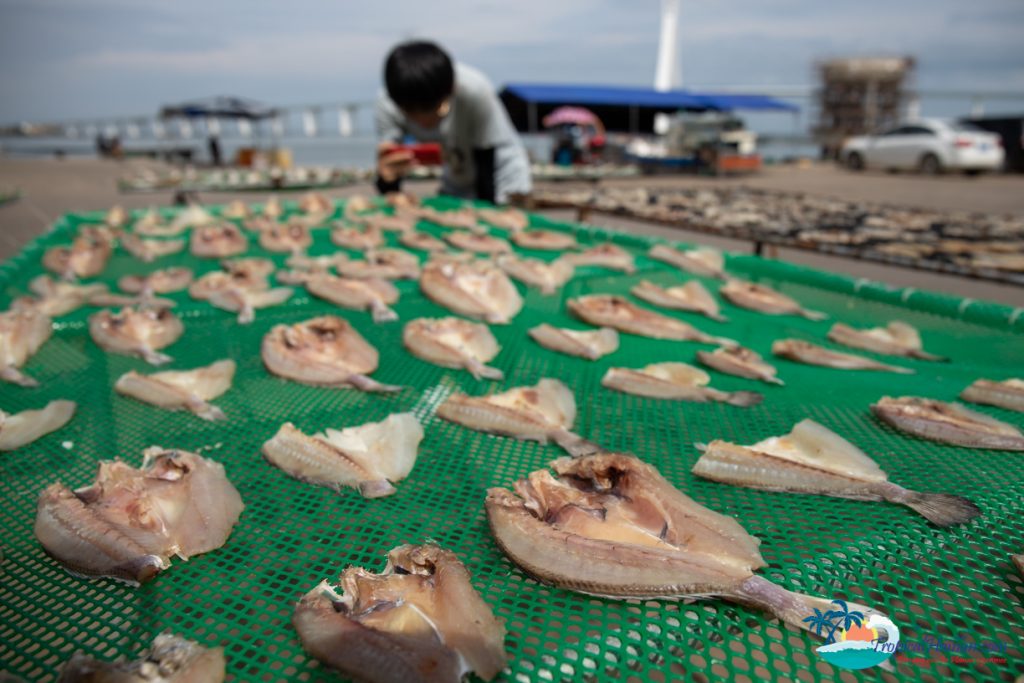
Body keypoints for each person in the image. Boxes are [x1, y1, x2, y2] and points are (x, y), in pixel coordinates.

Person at [375, 40, 531, 204]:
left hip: (501, 175)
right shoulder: (388, 102)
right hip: (457, 176)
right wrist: (386, 179)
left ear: (452, 89)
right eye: (411, 112)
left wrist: (488, 212)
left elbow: (486, 161)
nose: (423, 121)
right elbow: (389, 172)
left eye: (431, 109)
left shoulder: (474, 90)